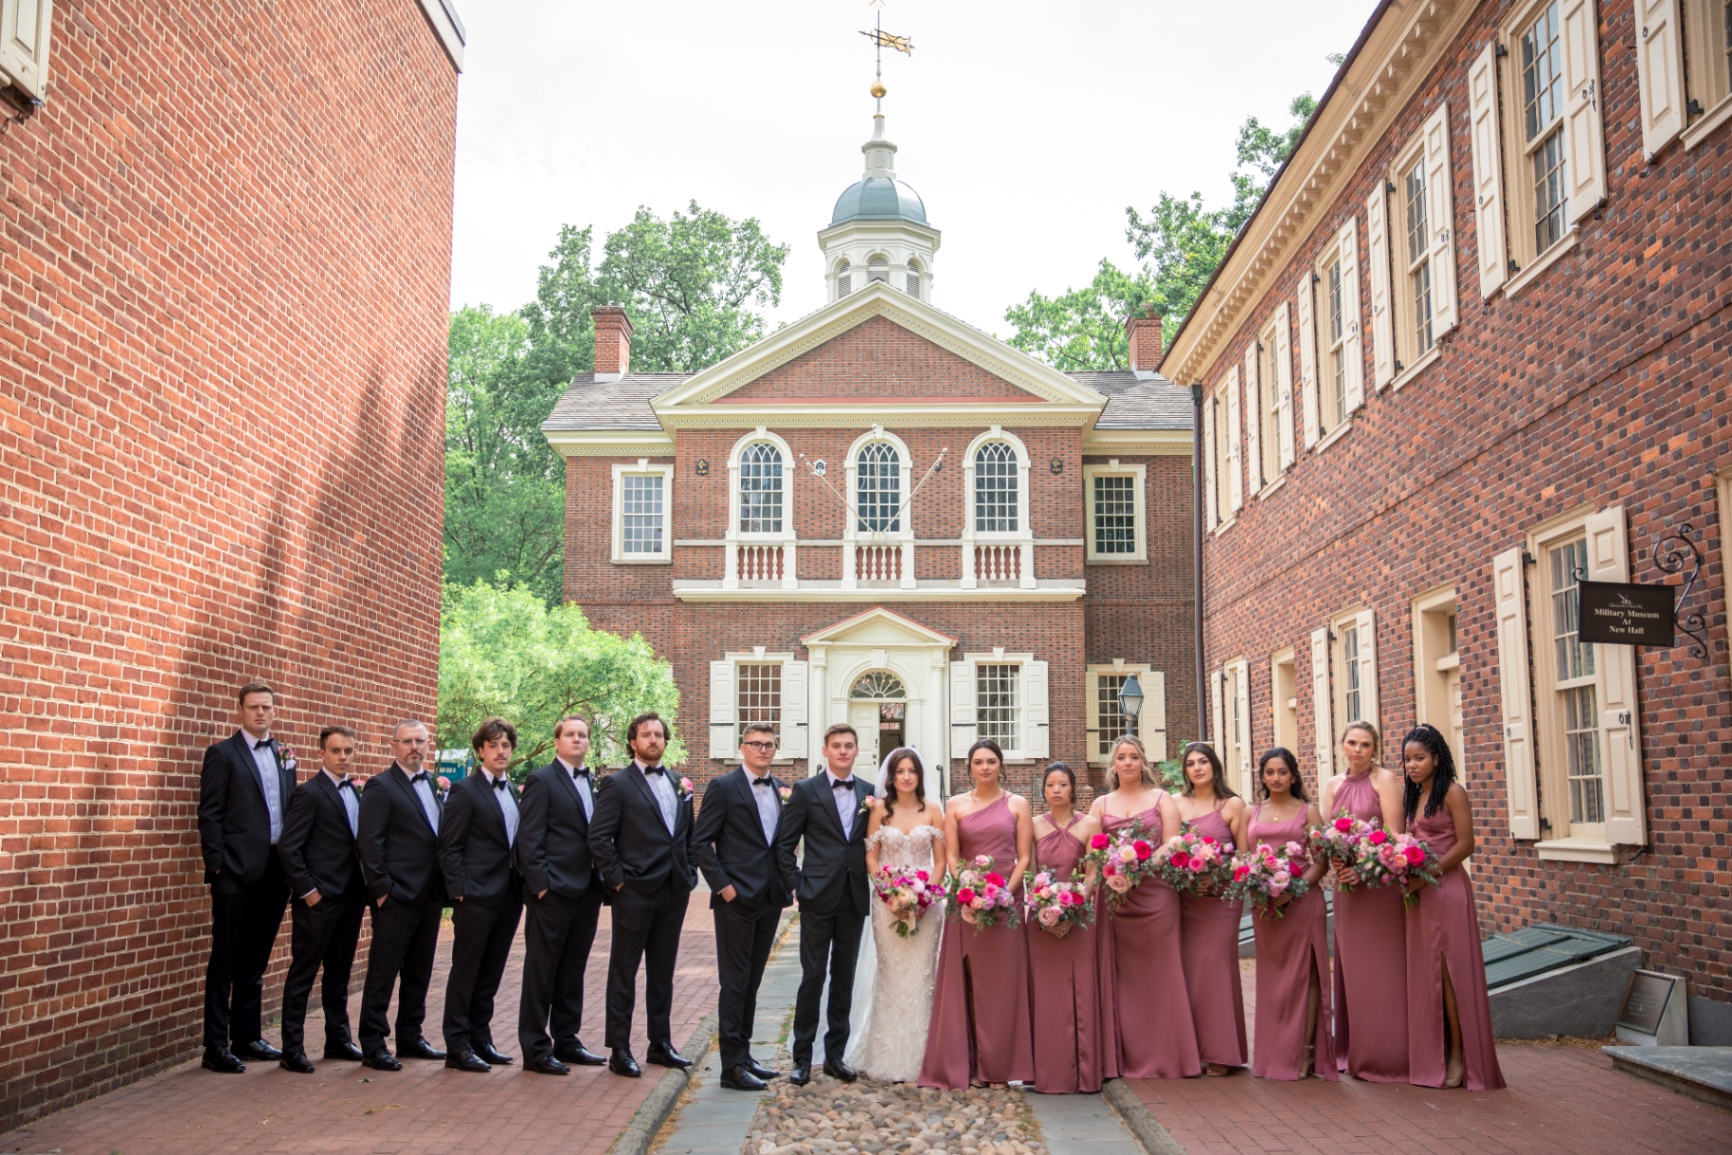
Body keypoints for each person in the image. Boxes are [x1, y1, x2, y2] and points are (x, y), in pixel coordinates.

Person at [918, 738, 1035, 1090]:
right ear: (969, 767)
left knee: (1003, 985)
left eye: (991, 761)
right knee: (968, 982)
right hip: (966, 901)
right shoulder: (955, 805)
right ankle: (969, 1063)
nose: (985, 767)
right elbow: (952, 857)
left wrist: (1004, 893)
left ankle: (1000, 1068)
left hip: (1006, 903)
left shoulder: (1018, 804)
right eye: (978, 762)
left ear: (1001, 765)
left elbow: (1024, 857)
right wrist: (967, 887)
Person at [197, 681, 296, 1073]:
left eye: (266, 707)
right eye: (254, 707)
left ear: (274, 711)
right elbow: (210, 814)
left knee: (255, 958)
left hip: (275, 870)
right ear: (240, 709)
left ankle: (247, 1037)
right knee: (226, 958)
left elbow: (289, 808)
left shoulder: (285, 754)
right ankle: (215, 1046)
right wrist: (218, 866)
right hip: (235, 872)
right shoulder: (222, 754)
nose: (260, 713)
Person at [590, 711, 696, 1078]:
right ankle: (619, 1048)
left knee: (663, 972)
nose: (653, 739)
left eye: (658, 734)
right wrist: (619, 880)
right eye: (646, 734)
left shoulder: (681, 783)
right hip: (634, 891)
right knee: (624, 970)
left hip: (674, 890)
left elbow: (687, 834)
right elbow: (599, 837)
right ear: (633, 742)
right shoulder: (616, 784)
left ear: (666, 740)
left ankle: (660, 1043)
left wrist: (690, 872)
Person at [1088, 735, 1199, 1079]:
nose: (1128, 762)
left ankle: (1167, 1055)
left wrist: (1140, 865)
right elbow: (1093, 850)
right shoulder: (1100, 804)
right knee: (1122, 976)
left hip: (1156, 897)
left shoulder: (1161, 799)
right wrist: (1115, 870)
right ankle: (1122, 1056)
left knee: (1160, 974)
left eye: (1134, 757)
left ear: (1143, 762)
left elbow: (1173, 843)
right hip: (1115, 900)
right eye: (1121, 757)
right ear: (1113, 764)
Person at [1401, 724, 1505, 1091]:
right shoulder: (1414, 796)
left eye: (1419, 758)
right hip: (1418, 894)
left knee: (1450, 974)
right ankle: (1437, 1054)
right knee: (1427, 974)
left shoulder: (1453, 792)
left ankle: (1462, 1054)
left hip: (1446, 888)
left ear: (1436, 758)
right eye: (1407, 759)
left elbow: (1466, 844)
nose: (1412, 765)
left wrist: (1427, 874)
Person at [692, 722, 793, 1091]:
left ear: (775, 749)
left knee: (752, 981)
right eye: (756, 743)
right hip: (736, 899)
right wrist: (724, 887)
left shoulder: (782, 788)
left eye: (769, 744)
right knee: (734, 982)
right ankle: (730, 1067)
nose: (763, 749)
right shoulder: (723, 786)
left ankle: (745, 1055)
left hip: (770, 898)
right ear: (743, 747)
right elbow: (701, 843)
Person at [775, 723, 874, 1085]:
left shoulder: (869, 793)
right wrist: (799, 885)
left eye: (848, 745)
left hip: (853, 896)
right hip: (817, 896)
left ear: (857, 750)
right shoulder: (806, 790)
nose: (843, 751)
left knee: (844, 977)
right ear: (825, 751)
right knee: (813, 975)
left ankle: (835, 1055)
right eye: (836, 745)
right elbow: (784, 846)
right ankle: (802, 1057)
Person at [846, 746, 945, 1083]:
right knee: (890, 973)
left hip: (926, 903)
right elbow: (871, 858)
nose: (906, 777)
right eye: (900, 771)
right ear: (891, 776)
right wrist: (889, 895)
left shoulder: (932, 810)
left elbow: (940, 861)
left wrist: (925, 897)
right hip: (886, 903)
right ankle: (884, 1054)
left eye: (911, 771)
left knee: (922, 974)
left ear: (919, 775)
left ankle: (925, 1055)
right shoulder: (879, 810)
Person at [1234, 747, 1334, 1081]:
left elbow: (1321, 862)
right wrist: (1260, 888)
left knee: (1306, 975)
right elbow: (1244, 859)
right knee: (1274, 981)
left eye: (1282, 772)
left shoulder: (1309, 812)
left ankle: (1305, 1051)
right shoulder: (1249, 812)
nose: (1276, 778)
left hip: (1302, 902)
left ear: (1293, 776)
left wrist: (1294, 890)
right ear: (1262, 777)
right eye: (1270, 772)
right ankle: (1275, 1052)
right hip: (1265, 906)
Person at [516, 715, 606, 1075]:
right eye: (569, 734)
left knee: (573, 968)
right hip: (552, 892)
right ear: (557, 742)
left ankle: (567, 1040)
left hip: (587, 891)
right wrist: (541, 885)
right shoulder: (541, 780)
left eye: (582, 735)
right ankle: (535, 1047)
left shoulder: (593, 782)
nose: (576, 739)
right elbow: (529, 839)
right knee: (541, 970)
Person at [355, 720, 448, 1071]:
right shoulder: (381, 786)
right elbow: (369, 843)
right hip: (396, 896)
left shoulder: (435, 784)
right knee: (383, 972)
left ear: (428, 744)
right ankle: (373, 1043)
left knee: (419, 971)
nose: (414, 747)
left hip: (431, 894)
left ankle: (410, 1035)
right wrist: (383, 892)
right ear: (394, 745)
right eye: (407, 741)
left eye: (420, 741)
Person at [1320, 720, 1409, 1082]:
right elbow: (1327, 837)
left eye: (1365, 744)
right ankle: (1357, 1051)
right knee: (1355, 971)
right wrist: (1337, 861)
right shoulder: (1332, 785)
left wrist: (1364, 870)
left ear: (1375, 749)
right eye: (1352, 743)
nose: (1357, 750)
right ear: (1342, 745)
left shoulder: (1385, 781)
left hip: (1379, 887)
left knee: (1383, 969)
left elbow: (1395, 836)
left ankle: (1387, 1055)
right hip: (1347, 890)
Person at [275, 725, 367, 1074]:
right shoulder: (309, 794)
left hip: (351, 899)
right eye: (336, 750)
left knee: (339, 974)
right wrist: (309, 893)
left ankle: (338, 1040)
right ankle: (292, 1048)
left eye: (348, 750)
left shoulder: (356, 791)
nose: (343, 757)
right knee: (303, 973)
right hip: (319, 901)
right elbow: (289, 848)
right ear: (322, 753)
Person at [437, 718, 525, 1072]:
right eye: (493, 745)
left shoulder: (514, 791)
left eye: (505, 745)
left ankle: (481, 1039)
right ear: (480, 751)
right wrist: (459, 891)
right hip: (474, 896)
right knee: (466, 971)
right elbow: (450, 846)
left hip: (509, 896)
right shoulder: (464, 791)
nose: (500, 751)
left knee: (491, 972)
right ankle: (457, 1046)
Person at [1025, 762, 1104, 1094]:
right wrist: (1045, 908)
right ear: (1043, 791)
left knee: (1080, 993)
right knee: (1046, 995)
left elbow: (1093, 874)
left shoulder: (1090, 824)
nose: (1056, 790)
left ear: (1073, 789)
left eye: (1062, 784)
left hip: (1080, 918)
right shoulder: (1032, 825)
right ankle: (1048, 1071)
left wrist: (1072, 910)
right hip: (1041, 922)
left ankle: (1083, 1073)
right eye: (1050, 785)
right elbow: (1030, 873)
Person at [1173, 742, 1248, 1075]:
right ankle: (1192, 1049)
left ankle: (1221, 1051)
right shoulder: (1175, 804)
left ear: (1214, 766)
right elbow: (1168, 851)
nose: (1197, 768)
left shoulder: (1232, 805)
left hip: (1222, 900)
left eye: (1203, 762)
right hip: (1186, 899)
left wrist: (1215, 875)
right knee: (1189, 970)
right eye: (1191, 764)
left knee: (1216, 967)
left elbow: (1244, 858)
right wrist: (1186, 876)